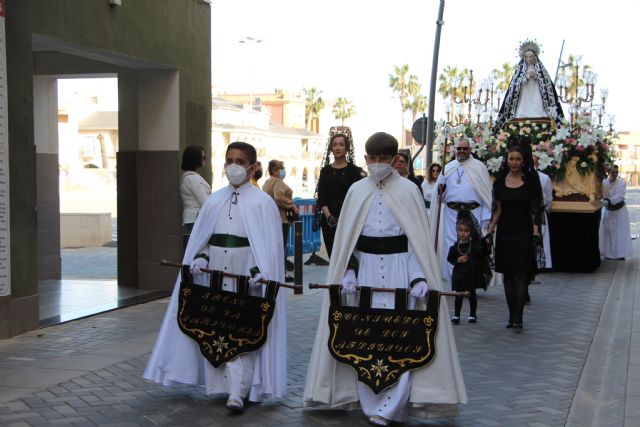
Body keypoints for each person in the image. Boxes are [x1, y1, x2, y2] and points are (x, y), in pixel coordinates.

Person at [304, 132, 467, 426]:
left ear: (394, 160)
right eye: (373, 159)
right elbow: (348, 242)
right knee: (364, 337)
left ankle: (391, 407)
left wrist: (419, 278)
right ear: (366, 159)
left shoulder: (408, 191)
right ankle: (368, 402)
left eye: (384, 159)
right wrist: (349, 271)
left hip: (399, 273)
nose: (378, 164)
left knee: (402, 339)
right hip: (363, 273)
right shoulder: (356, 190)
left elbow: (415, 241)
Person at [144, 142, 286, 413]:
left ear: (253, 167)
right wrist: (200, 258)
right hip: (216, 279)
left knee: (241, 334)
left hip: (245, 279)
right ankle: (222, 387)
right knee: (218, 332)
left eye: (240, 161)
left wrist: (260, 272)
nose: (234, 166)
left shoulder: (262, 203)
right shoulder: (214, 200)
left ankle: (238, 392)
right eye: (229, 160)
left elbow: (266, 246)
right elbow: (205, 239)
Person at [486, 139, 543, 330]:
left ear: (524, 161)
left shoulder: (531, 182)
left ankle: (519, 316)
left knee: (521, 273)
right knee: (508, 275)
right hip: (505, 232)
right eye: (511, 158)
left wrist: (536, 233)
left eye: (518, 159)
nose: (515, 162)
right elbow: (497, 210)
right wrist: (490, 230)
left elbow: (535, 210)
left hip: (524, 231)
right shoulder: (500, 182)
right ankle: (511, 314)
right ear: (507, 160)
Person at [430, 138, 493, 282]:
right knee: (452, 245)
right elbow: (441, 198)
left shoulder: (479, 167)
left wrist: (486, 218)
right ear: (454, 150)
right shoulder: (448, 167)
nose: (461, 152)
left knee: (471, 246)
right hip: (451, 213)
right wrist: (440, 188)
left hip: (473, 212)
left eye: (465, 149)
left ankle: (469, 281)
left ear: (470, 150)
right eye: (459, 149)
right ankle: (456, 280)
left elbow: (486, 193)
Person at [493, 40, 564, 132]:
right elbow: (515, 85)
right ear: (524, 58)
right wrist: (526, 77)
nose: (529, 59)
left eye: (531, 56)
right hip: (525, 95)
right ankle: (522, 113)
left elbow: (546, 85)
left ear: (535, 57)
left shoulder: (540, 70)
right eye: (527, 57)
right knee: (523, 106)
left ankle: (539, 112)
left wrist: (536, 77)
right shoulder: (520, 71)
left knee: (538, 104)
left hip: (536, 94)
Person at [316, 126, 363, 257]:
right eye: (335, 145)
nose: (338, 148)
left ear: (346, 148)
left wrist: (345, 217)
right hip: (329, 222)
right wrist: (329, 216)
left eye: (341, 145)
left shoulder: (354, 171)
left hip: (349, 221)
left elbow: (357, 198)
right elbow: (322, 198)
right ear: (331, 148)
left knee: (348, 258)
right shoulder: (325, 171)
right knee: (333, 256)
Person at [447, 210, 492, 324]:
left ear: (471, 232)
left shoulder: (474, 246)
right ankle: (457, 315)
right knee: (459, 295)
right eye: (460, 230)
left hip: (472, 273)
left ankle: (472, 314)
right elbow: (450, 258)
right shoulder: (454, 247)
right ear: (457, 231)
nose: (463, 233)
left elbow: (483, 254)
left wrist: (486, 244)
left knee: (472, 294)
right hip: (459, 274)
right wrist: (457, 260)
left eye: (466, 231)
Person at [262, 160, 298, 280]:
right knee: (281, 246)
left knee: (272, 247)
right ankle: (282, 273)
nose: (283, 171)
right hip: (281, 219)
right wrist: (291, 204)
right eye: (280, 168)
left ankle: (273, 271)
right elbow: (279, 196)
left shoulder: (266, 183)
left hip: (269, 219)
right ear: (274, 170)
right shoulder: (278, 182)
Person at [599, 165, 634, 260]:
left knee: (620, 233)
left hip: (619, 211)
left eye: (616, 172)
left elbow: (620, 196)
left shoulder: (621, 183)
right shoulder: (603, 182)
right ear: (608, 172)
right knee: (607, 232)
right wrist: (603, 200)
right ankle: (608, 254)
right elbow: (601, 194)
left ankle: (620, 254)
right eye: (613, 172)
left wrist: (609, 200)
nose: (614, 174)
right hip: (607, 211)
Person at [180, 145, 211, 242]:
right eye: (203, 157)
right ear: (196, 159)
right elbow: (204, 201)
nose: (205, 159)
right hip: (196, 217)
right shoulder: (192, 178)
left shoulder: (191, 176)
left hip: (195, 217)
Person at [533, 155, 553, 269]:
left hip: (540, 211)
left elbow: (549, 197)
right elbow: (549, 198)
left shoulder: (544, 178)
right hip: (534, 210)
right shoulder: (544, 178)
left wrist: (546, 208)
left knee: (542, 237)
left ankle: (542, 263)